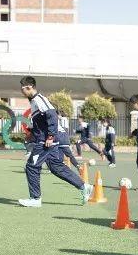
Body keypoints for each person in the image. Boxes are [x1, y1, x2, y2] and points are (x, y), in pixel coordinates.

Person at [17, 76, 93, 207]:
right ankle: (84, 186)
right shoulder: (34, 101)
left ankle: (35, 199)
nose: (21, 92)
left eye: (22, 89)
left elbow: (52, 115)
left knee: (32, 166)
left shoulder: (39, 99)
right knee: (56, 167)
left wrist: (50, 136)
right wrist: (33, 131)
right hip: (45, 140)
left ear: (29, 87)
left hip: (45, 142)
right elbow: (43, 122)